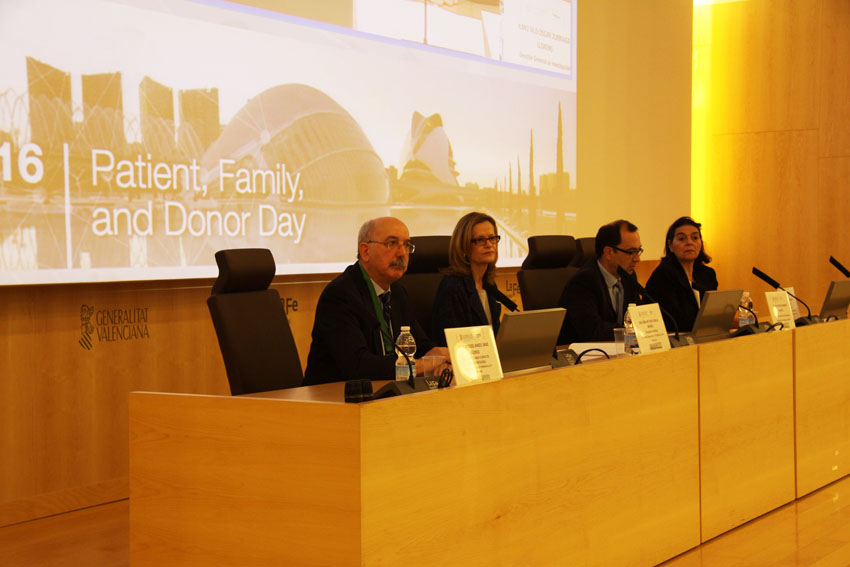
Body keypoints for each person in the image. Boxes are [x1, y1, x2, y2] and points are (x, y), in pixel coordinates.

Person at [303, 217, 448, 385]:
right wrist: (423, 365)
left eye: (407, 245)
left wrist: (440, 356)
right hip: (333, 399)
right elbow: (358, 366)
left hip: (385, 392)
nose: (402, 253)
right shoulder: (340, 295)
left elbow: (421, 345)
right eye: (392, 243)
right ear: (365, 251)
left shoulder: (398, 293)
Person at [430, 212, 517, 346]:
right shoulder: (452, 287)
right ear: (464, 246)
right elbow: (453, 343)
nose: (489, 244)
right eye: (480, 240)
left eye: (492, 238)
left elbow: (495, 333)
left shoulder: (489, 284)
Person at [557, 219, 643, 343]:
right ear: (609, 252)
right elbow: (593, 331)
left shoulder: (628, 276)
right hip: (584, 356)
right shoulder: (583, 282)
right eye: (631, 252)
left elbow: (637, 316)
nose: (637, 259)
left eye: (638, 251)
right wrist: (631, 329)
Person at [645, 216, 718, 333]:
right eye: (681, 239)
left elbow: (713, 314)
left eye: (695, 238)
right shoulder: (663, 276)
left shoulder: (707, 274)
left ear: (701, 243)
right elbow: (673, 321)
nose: (689, 242)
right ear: (670, 245)